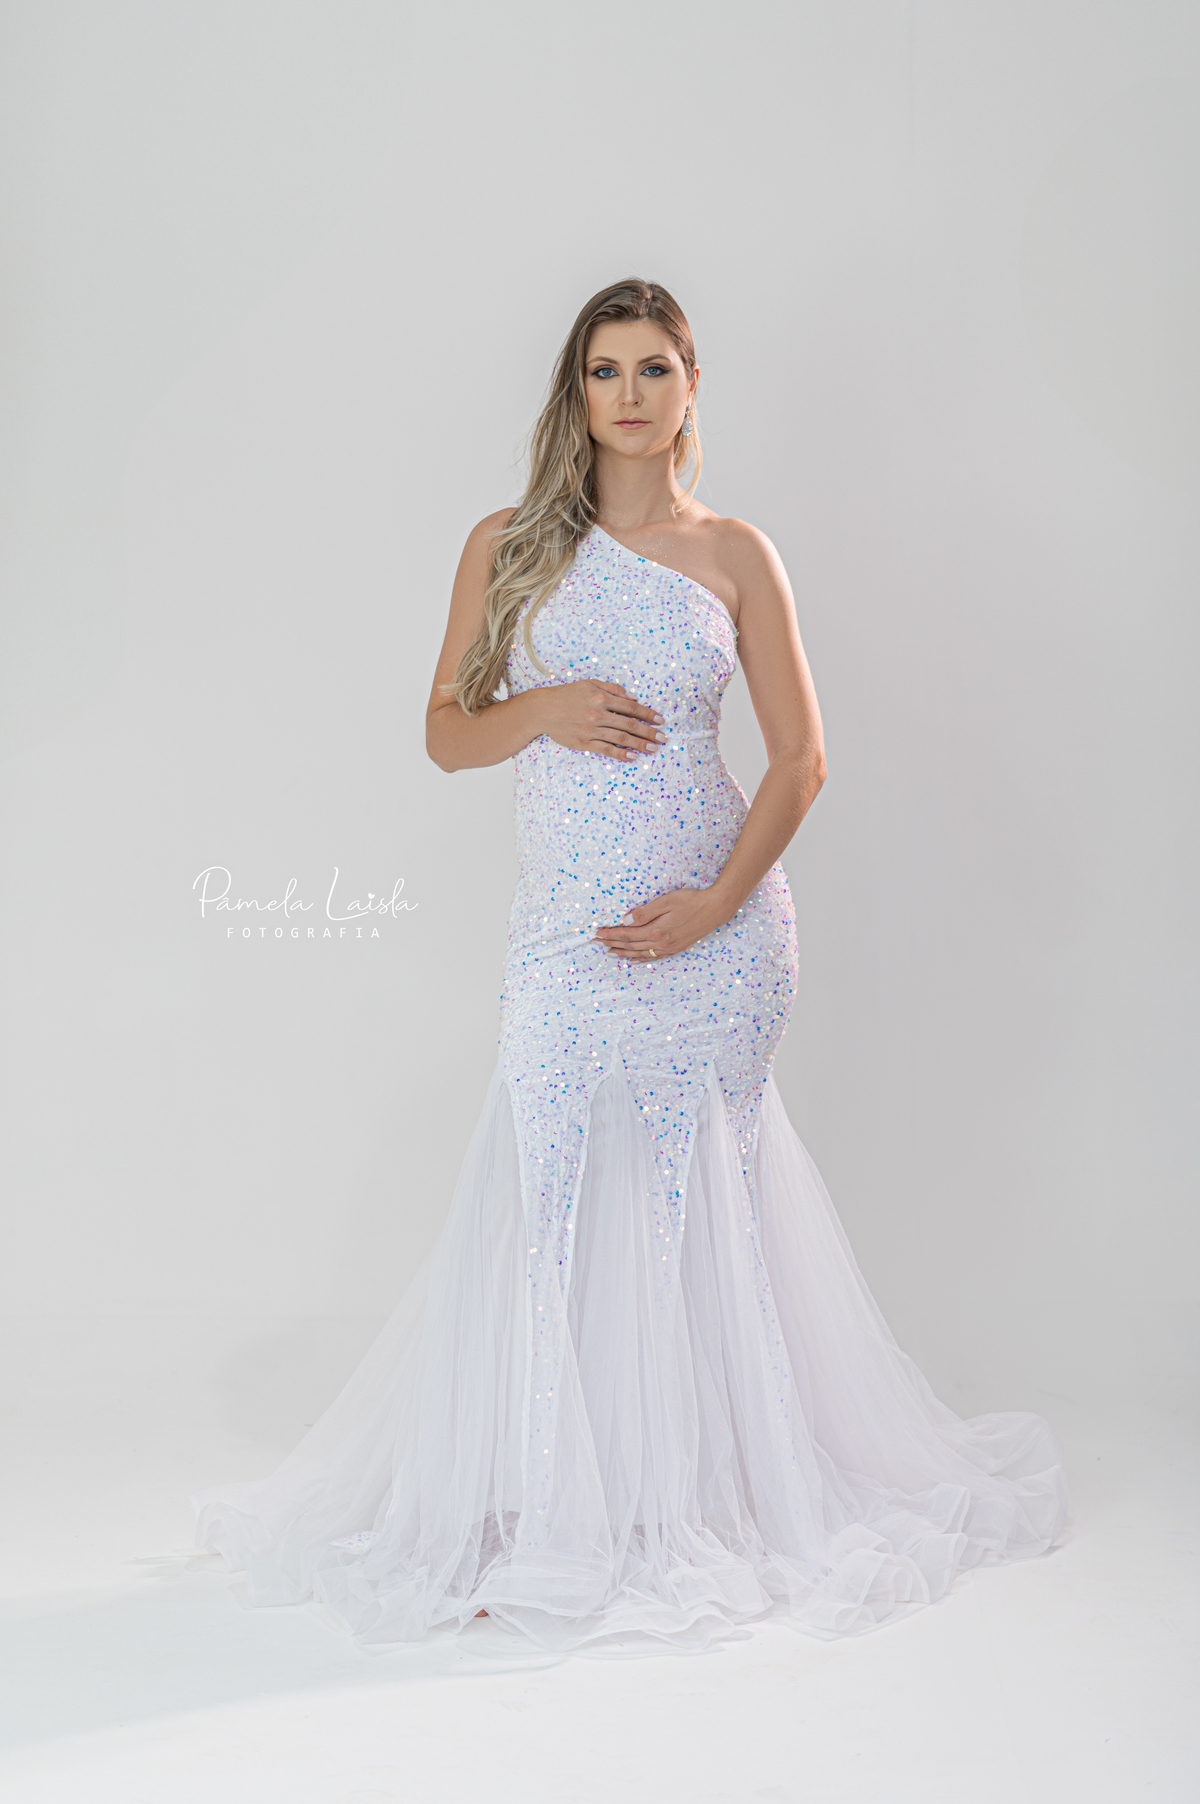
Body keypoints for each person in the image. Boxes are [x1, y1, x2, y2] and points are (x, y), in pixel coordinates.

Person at [192, 278, 1067, 1653]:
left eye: (656, 368)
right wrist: (540, 706)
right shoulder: (509, 545)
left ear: (691, 386)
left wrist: (715, 905)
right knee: (544, 1204)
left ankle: (680, 1506)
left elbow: (802, 759)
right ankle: (559, 1515)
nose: (631, 395)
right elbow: (444, 733)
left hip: (718, 935)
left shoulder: (735, 554)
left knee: (684, 1210)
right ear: (577, 392)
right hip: (564, 935)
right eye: (606, 371)